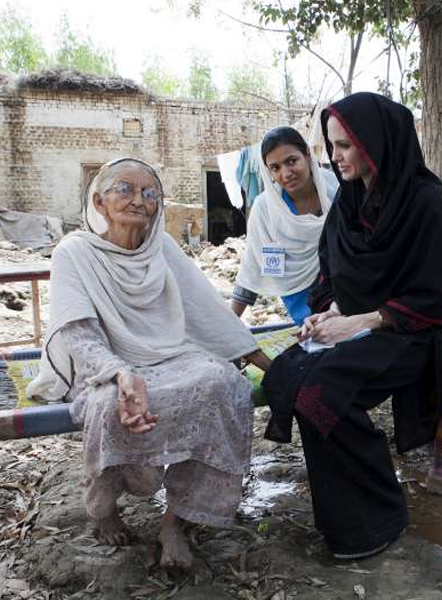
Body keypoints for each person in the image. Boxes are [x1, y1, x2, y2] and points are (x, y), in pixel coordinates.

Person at [26, 158, 271, 569]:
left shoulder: (163, 249)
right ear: (100, 201)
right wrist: (121, 374)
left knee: (222, 384)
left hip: (171, 354)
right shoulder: (74, 253)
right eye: (125, 189)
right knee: (108, 409)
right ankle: (105, 510)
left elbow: (207, 310)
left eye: (150, 193)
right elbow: (80, 335)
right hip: (104, 363)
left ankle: (175, 521)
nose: (138, 200)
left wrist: (262, 361)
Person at [262, 92, 442, 560]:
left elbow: (429, 298)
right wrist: (328, 312)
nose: (337, 157)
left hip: (404, 335)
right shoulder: (348, 203)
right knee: (285, 376)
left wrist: (360, 322)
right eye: (332, 146)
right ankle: (345, 518)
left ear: (377, 141)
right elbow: (331, 276)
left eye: (346, 145)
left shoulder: (423, 202)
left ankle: (379, 515)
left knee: (320, 396)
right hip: (355, 326)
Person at [232, 127, 338, 325]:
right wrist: (229, 325)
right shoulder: (265, 209)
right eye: (275, 167)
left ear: (307, 154)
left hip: (346, 307)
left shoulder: (337, 192)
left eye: (291, 161)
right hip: (304, 316)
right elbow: (252, 267)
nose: (286, 173)